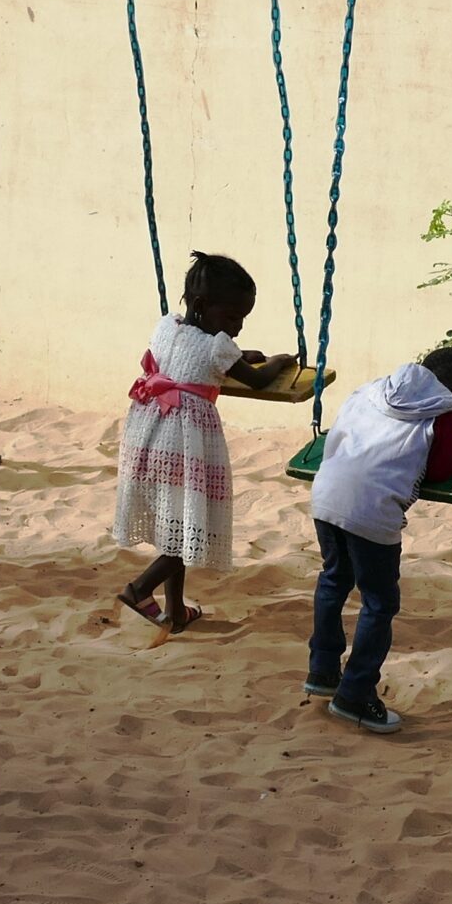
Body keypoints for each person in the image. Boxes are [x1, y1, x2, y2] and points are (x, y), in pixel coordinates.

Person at [111, 252, 296, 635]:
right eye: (231, 318)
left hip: (149, 436)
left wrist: (238, 355)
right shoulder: (217, 348)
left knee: (176, 522)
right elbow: (258, 380)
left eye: (242, 319)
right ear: (200, 306)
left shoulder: (167, 326)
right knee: (187, 530)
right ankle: (139, 589)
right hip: (186, 441)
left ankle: (176, 612)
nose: (237, 328)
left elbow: (194, 354)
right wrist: (277, 362)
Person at [304, 345, 452, 734]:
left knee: (334, 579)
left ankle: (322, 670)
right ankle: (355, 694)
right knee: (379, 602)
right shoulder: (445, 410)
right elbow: (441, 469)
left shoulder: (373, 388)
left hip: (327, 496)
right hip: (372, 511)